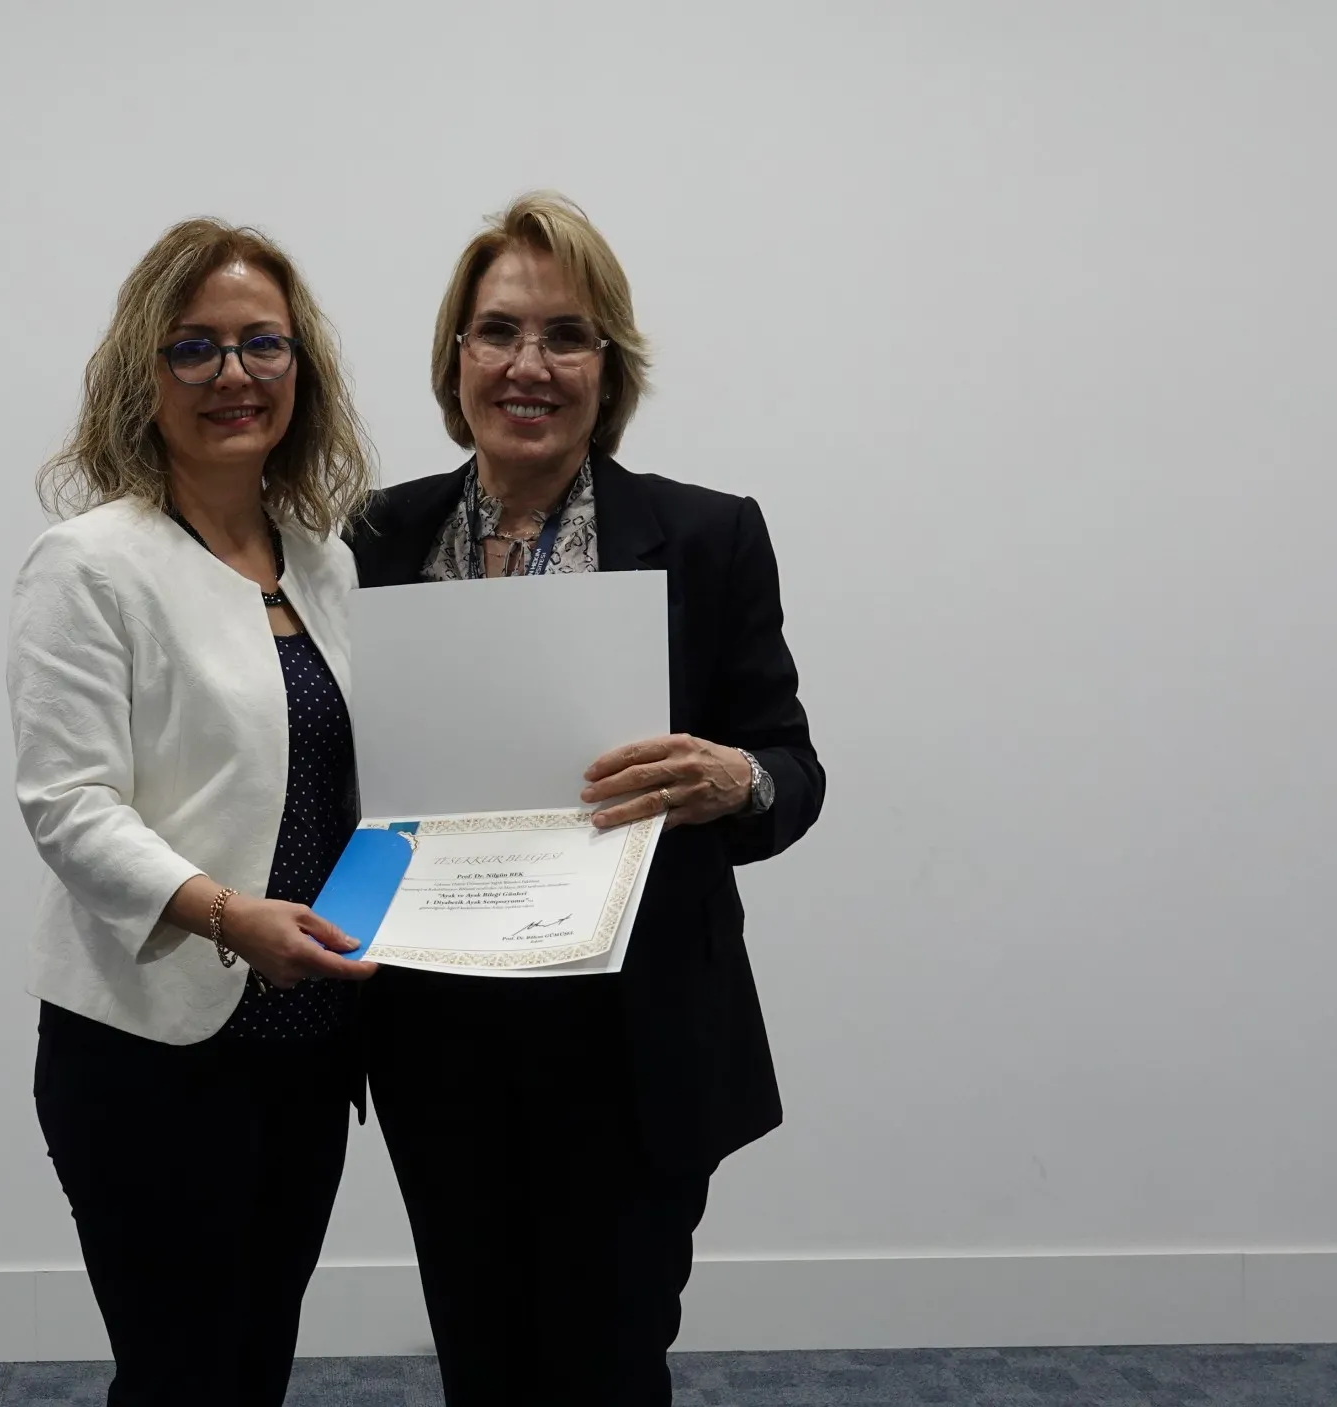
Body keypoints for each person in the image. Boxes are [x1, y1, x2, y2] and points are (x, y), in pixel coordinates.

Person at [346, 192, 827, 1406]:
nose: (529, 365)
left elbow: (791, 765)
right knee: (480, 1353)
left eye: (566, 336)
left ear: (608, 368)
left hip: (636, 1040)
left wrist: (736, 778)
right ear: (455, 357)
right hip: (437, 1032)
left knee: (608, 1359)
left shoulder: (708, 537)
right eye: (498, 332)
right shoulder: (367, 540)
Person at [7, 217, 381, 1406]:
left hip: (310, 1044)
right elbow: (69, 808)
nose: (234, 374)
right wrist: (228, 916)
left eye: (262, 343)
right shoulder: (88, 564)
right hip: (150, 1052)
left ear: (299, 367)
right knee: (180, 1375)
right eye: (194, 347)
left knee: (257, 1360)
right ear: (145, 371)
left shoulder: (324, 562)